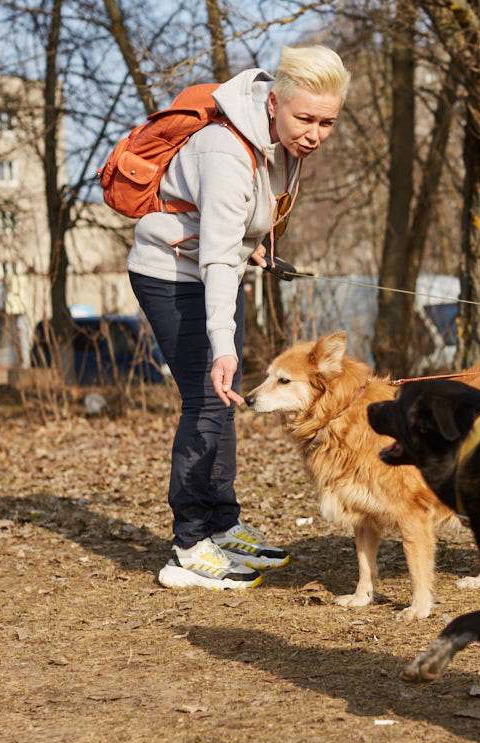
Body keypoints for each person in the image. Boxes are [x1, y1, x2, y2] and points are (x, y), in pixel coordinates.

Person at [127, 45, 351, 590]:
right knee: (206, 401)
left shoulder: (277, 145)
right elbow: (215, 258)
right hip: (174, 277)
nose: (315, 133)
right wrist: (223, 346)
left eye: (327, 122)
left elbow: (231, 231)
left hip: (217, 271)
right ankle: (188, 547)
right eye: (305, 118)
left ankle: (222, 527)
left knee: (222, 406)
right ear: (274, 103)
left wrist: (254, 246)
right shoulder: (226, 151)